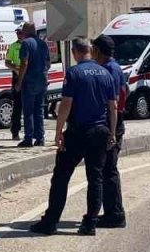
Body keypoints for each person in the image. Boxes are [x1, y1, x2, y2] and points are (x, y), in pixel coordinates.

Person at [29, 39, 117, 236]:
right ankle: (90, 223)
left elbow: (66, 104)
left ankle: (51, 221)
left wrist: (58, 131)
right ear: (91, 51)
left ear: (75, 52)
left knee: (61, 176)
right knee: (96, 177)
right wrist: (112, 132)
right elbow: (113, 107)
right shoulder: (106, 73)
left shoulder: (74, 73)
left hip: (78, 131)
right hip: (100, 130)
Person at [91, 35, 127, 229]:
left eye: (94, 49)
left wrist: (112, 130)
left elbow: (115, 101)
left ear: (99, 51)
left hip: (112, 122)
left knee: (109, 170)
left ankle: (115, 214)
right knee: (107, 169)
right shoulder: (114, 68)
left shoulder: (109, 70)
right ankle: (111, 212)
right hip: (113, 121)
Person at [16, 22, 50, 148]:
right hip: (42, 80)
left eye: (23, 30)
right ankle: (40, 138)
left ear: (27, 30)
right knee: (39, 110)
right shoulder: (43, 44)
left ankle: (28, 138)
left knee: (28, 111)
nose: (22, 32)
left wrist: (19, 82)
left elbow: (24, 63)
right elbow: (48, 63)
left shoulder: (26, 43)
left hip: (29, 81)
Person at [6, 26, 26, 142]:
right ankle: (15, 132)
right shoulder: (13, 46)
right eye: (17, 33)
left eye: (21, 32)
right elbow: (7, 62)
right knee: (17, 106)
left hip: (28, 78)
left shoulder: (28, 45)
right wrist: (16, 69)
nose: (19, 34)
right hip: (17, 77)